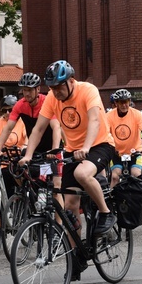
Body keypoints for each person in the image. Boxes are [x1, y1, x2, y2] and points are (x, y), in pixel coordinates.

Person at [20, 60, 117, 236]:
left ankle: (106, 213)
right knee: (70, 204)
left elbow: (94, 120)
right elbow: (39, 129)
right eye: (52, 88)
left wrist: (86, 147)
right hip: (73, 150)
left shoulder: (88, 90)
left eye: (58, 87)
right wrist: (28, 155)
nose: (55, 92)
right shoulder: (52, 98)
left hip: (99, 144)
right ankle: (76, 257)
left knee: (82, 174)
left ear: (71, 80)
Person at [0, 73, 63, 241]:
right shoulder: (20, 105)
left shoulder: (47, 102)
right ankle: (29, 203)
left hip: (52, 147)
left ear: (38, 89)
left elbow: (56, 127)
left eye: (30, 90)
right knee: (18, 168)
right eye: (24, 90)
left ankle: (58, 231)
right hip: (35, 147)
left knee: (56, 187)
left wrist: (55, 149)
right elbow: (7, 129)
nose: (27, 94)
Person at [106, 89, 142, 187]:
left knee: (136, 175)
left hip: (135, 151)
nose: (124, 105)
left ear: (129, 102)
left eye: (126, 102)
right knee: (115, 176)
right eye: (121, 102)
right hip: (116, 153)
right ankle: (112, 200)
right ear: (116, 103)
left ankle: (138, 201)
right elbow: (105, 133)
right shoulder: (109, 116)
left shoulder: (136, 114)